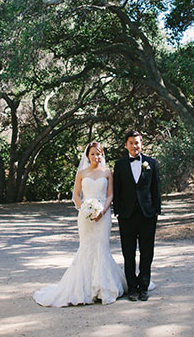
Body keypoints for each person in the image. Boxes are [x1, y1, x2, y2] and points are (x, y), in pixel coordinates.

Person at [33, 141, 127, 306]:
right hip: (85, 216)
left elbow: (111, 195)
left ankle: (103, 288)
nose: (96, 156)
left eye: (98, 153)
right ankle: (85, 289)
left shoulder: (107, 172)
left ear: (102, 155)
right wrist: (86, 209)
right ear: (87, 156)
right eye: (92, 154)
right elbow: (76, 195)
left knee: (102, 248)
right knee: (86, 248)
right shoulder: (82, 173)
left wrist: (102, 211)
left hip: (103, 216)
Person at [113, 130, 161, 302]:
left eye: (137, 142)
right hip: (126, 215)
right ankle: (132, 287)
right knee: (128, 252)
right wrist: (117, 211)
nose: (134, 146)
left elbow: (156, 188)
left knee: (147, 252)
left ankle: (144, 287)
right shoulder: (119, 165)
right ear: (126, 145)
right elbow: (117, 189)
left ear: (142, 144)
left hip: (147, 214)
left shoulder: (151, 163)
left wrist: (156, 210)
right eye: (131, 143)